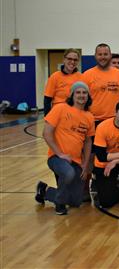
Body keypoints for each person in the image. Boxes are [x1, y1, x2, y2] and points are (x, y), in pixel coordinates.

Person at [35, 81, 95, 215]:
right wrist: (60, 154)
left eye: (84, 92)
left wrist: (85, 165)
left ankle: (44, 191)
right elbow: (46, 133)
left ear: (88, 96)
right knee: (68, 173)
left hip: (77, 161)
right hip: (56, 157)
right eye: (78, 92)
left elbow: (87, 142)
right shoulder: (60, 108)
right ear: (72, 95)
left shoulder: (89, 116)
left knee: (75, 201)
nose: (81, 95)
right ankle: (60, 204)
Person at [81, 43, 119, 123]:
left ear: (110, 56)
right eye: (100, 54)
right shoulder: (86, 75)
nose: (103, 57)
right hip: (93, 120)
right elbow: (81, 99)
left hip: (115, 120)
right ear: (95, 56)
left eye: (105, 54)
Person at [43, 48, 82, 115]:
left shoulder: (81, 77)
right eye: (69, 59)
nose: (72, 62)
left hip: (75, 114)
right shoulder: (54, 77)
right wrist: (47, 118)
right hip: (58, 114)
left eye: (75, 60)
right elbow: (47, 100)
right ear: (64, 60)